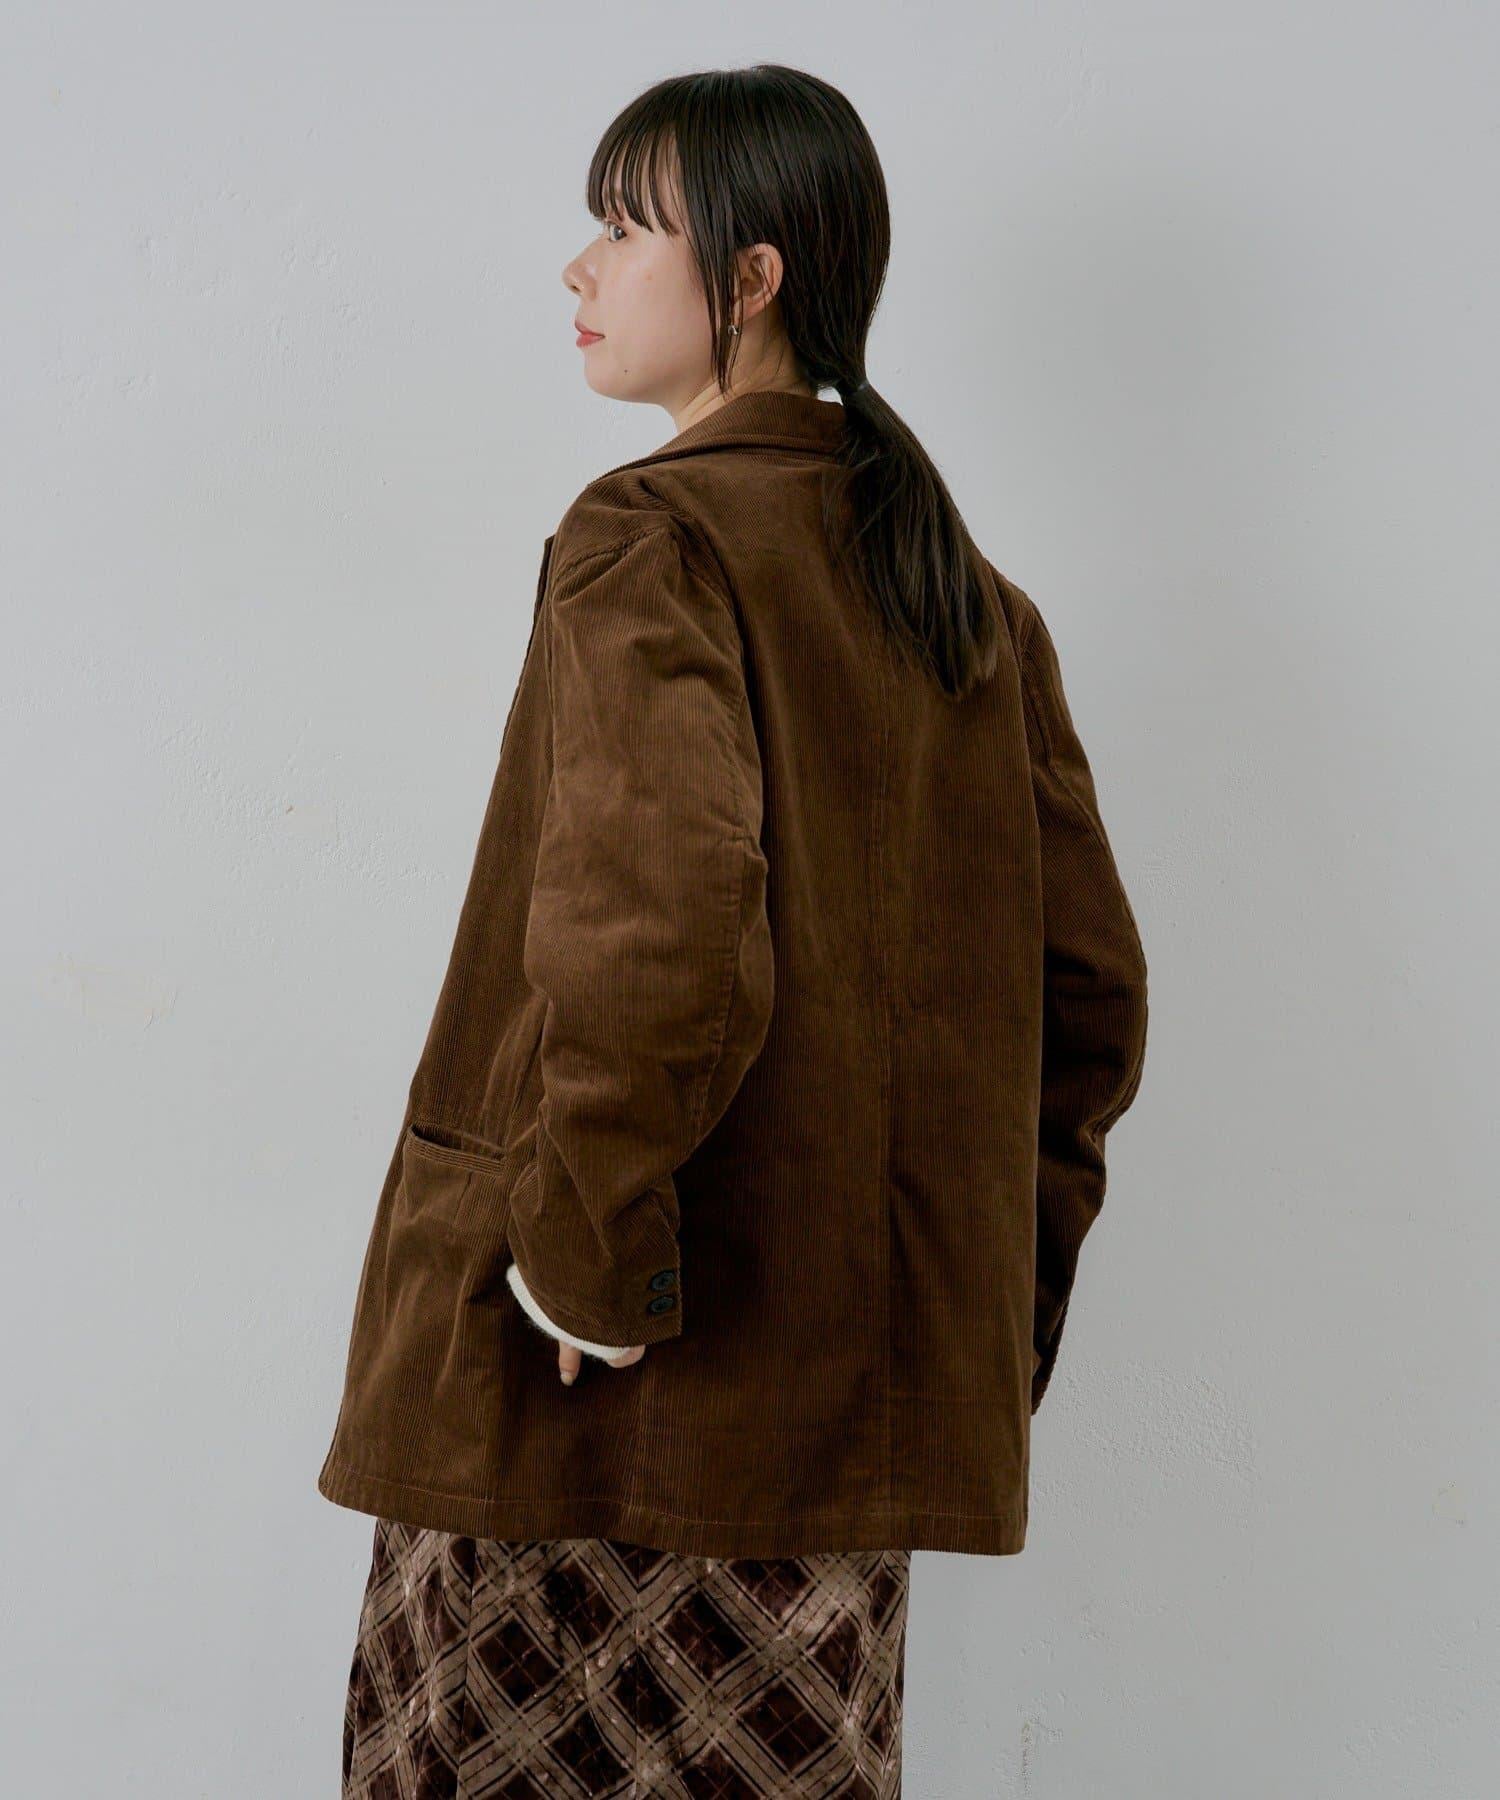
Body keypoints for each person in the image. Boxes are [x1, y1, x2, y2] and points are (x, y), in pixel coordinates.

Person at [321, 62, 1149, 1799]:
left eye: (626, 230)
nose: (580, 268)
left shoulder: (649, 536)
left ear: (752, 278)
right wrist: (979, 1325)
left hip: (584, 1409)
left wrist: (584, 1255)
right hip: (840, 1436)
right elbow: (1091, 1003)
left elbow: (664, 934)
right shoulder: (971, 602)